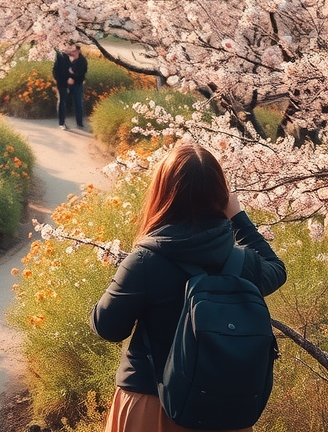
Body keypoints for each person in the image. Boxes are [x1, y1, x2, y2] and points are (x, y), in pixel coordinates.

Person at [91, 141, 287, 432]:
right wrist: (239, 217)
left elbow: (108, 328)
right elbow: (277, 270)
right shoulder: (243, 264)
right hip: (223, 413)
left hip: (152, 407)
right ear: (220, 195)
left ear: (163, 193)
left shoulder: (145, 262)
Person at [52, 43, 88, 130]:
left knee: (78, 102)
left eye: (74, 51)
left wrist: (73, 78)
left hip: (77, 84)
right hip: (62, 83)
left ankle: (79, 123)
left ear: (78, 51)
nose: (72, 52)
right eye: (71, 50)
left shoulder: (82, 60)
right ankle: (62, 123)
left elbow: (82, 74)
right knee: (62, 102)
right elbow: (55, 71)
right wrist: (62, 80)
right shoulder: (62, 57)